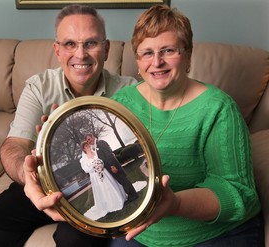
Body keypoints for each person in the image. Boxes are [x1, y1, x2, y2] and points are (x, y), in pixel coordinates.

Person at [0, 4, 136, 247]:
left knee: (74, 240)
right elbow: (14, 144)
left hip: (96, 181)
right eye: (70, 44)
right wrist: (28, 175)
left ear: (106, 50)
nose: (80, 54)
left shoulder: (129, 91)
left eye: (91, 43)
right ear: (57, 50)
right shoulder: (39, 87)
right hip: (41, 183)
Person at [109, 4, 264, 247]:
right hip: (141, 234)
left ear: (188, 54)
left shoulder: (219, 108)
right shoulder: (120, 104)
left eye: (168, 50)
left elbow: (237, 193)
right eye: (147, 53)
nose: (157, 62)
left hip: (214, 235)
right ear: (137, 61)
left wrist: (176, 204)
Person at [85, 133, 139, 202]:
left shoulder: (101, 143)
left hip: (112, 166)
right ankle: (131, 195)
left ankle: (133, 195)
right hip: (109, 168)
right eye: (87, 141)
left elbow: (109, 155)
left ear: (93, 137)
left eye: (89, 139)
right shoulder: (95, 146)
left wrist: (112, 166)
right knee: (121, 180)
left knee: (123, 179)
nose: (89, 141)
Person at [80, 141, 126, 220]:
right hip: (95, 176)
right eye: (85, 146)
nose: (88, 146)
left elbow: (102, 160)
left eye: (88, 144)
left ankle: (117, 200)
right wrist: (95, 166)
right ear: (83, 149)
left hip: (104, 172)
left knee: (110, 186)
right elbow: (86, 170)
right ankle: (107, 205)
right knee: (102, 190)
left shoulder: (95, 152)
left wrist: (100, 165)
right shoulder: (82, 159)